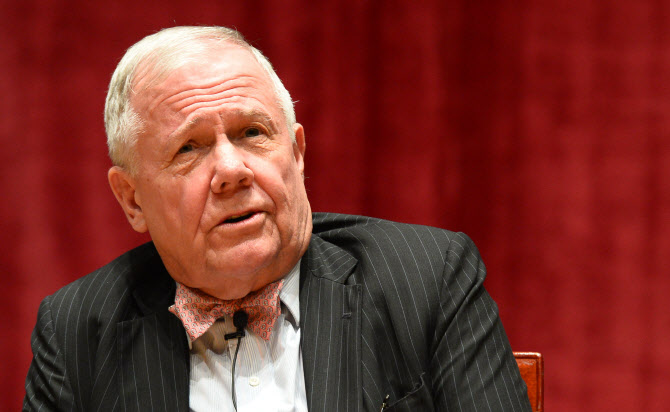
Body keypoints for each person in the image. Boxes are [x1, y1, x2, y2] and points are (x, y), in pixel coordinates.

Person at [24, 26, 531, 411]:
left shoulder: (427, 281)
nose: (231, 170)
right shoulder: (76, 335)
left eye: (252, 133)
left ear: (297, 152)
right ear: (132, 200)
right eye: (189, 148)